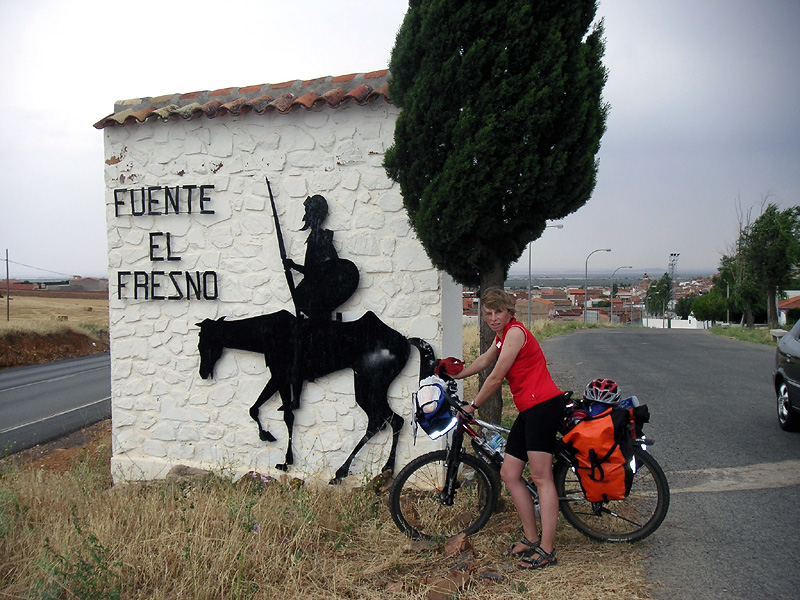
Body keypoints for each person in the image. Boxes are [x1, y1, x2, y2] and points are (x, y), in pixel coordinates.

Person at [454, 287, 565, 570]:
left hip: (543, 407)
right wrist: (455, 374)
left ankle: (547, 550)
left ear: (509, 312)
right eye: (488, 313)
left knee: (541, 478)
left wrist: (473, 405)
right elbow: (484, 361)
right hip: (530, 409)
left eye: (498, 312)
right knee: (510, 473)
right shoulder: (502, 336)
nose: (493, 318)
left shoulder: (515, 333)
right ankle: (530, 538)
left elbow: (495, 377)